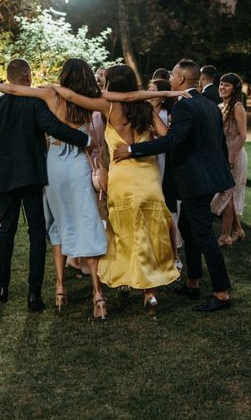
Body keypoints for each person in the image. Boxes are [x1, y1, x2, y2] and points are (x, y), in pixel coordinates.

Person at [51, 65, 189, 315]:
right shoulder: (147, 109)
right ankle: (150, 293)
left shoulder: (108, 106)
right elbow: (166, 135)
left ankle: (126, 280)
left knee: (123, 231)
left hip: (122, 178)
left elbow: (73, 98)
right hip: (148, 177)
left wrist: (54, 87)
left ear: (111, 85)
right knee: (148, 233)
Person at [0, 58, 108, 316]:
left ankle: (2, 288)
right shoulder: (34, 103)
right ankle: (34, 294)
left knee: (7, 231)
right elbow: (53, 128)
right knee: (36, 232)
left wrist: (5, 157)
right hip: (33, 175)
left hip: (6, 176)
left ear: (9, 76)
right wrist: (84, 139)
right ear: (27, 77)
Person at [113, 59, 235, 313]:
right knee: (187, 228)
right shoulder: (210, 105)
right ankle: (192, 281)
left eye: (173, 75)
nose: (170, 77)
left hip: (195, 180)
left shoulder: (184, 107)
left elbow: (172, 141)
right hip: (209, 177)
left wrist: (133, 150)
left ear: (180, 80)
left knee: (202, 235)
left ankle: (221, 293)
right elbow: (217, 143)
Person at [148, 78, 183, 269]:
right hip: (147, 161)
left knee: (168, 210)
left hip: (164, 161)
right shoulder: (141, 111)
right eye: (148, 89)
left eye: (153, 90)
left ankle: (175, 254)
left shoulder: (169, 113)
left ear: (162, 95)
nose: (149, 93)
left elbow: (171, 138)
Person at [210, 73, 248, 246]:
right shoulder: (220, 106)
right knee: (227, 194)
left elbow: (243, 135)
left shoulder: (237, 107)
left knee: (228, 194)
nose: (222, 87)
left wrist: (232, 155)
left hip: (234, 156)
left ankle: (225, 236)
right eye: (221, 84)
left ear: (234, 89)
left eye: (227, 85)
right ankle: (238, 230)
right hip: (221, 156)